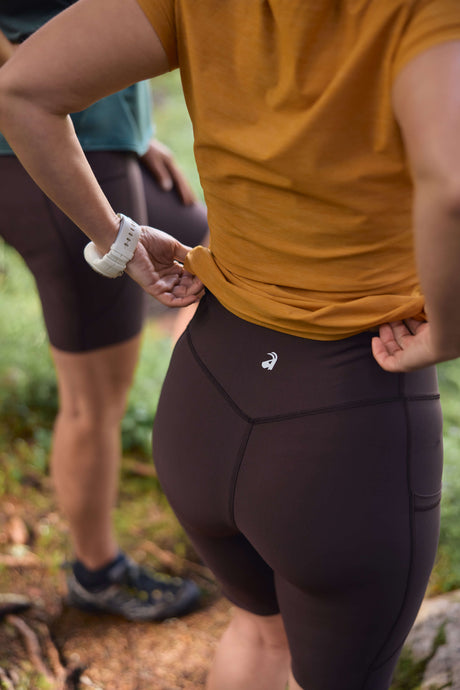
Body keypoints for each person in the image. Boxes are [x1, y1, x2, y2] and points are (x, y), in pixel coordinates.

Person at [0, 0, 459, 687]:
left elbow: (22, 90)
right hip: (346, 424)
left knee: (258, 635)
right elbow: (452, 185)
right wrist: (451, 327)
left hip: (206, 393)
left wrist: (117, 239)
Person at [0, 2, 208, 622]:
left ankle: (208, 460)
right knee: (93, 401)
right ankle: (97, 571)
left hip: (102, 136)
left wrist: (131, 129)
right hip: (46, 144)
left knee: (204, 243)